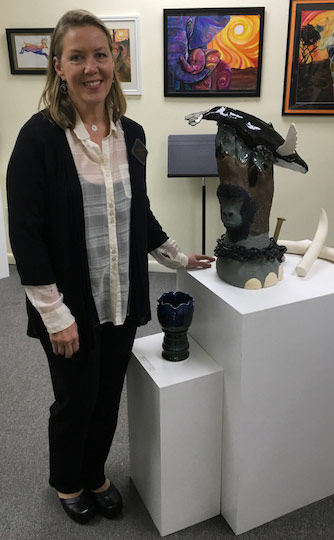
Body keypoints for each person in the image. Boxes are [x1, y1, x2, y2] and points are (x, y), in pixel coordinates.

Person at [6, 9, 214, 525]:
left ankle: (95, 472)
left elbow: (135, 211)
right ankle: (67, 481)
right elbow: (26, 235)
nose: (91, 67)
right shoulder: (38, 140)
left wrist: (177, 257)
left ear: (114, 60)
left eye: (100, 54)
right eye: (77, 57)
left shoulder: (131, 133)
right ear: (58, 66)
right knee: (74, 399)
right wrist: (55, 315)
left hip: (121, 296)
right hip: (71, 303)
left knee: (107, 394)